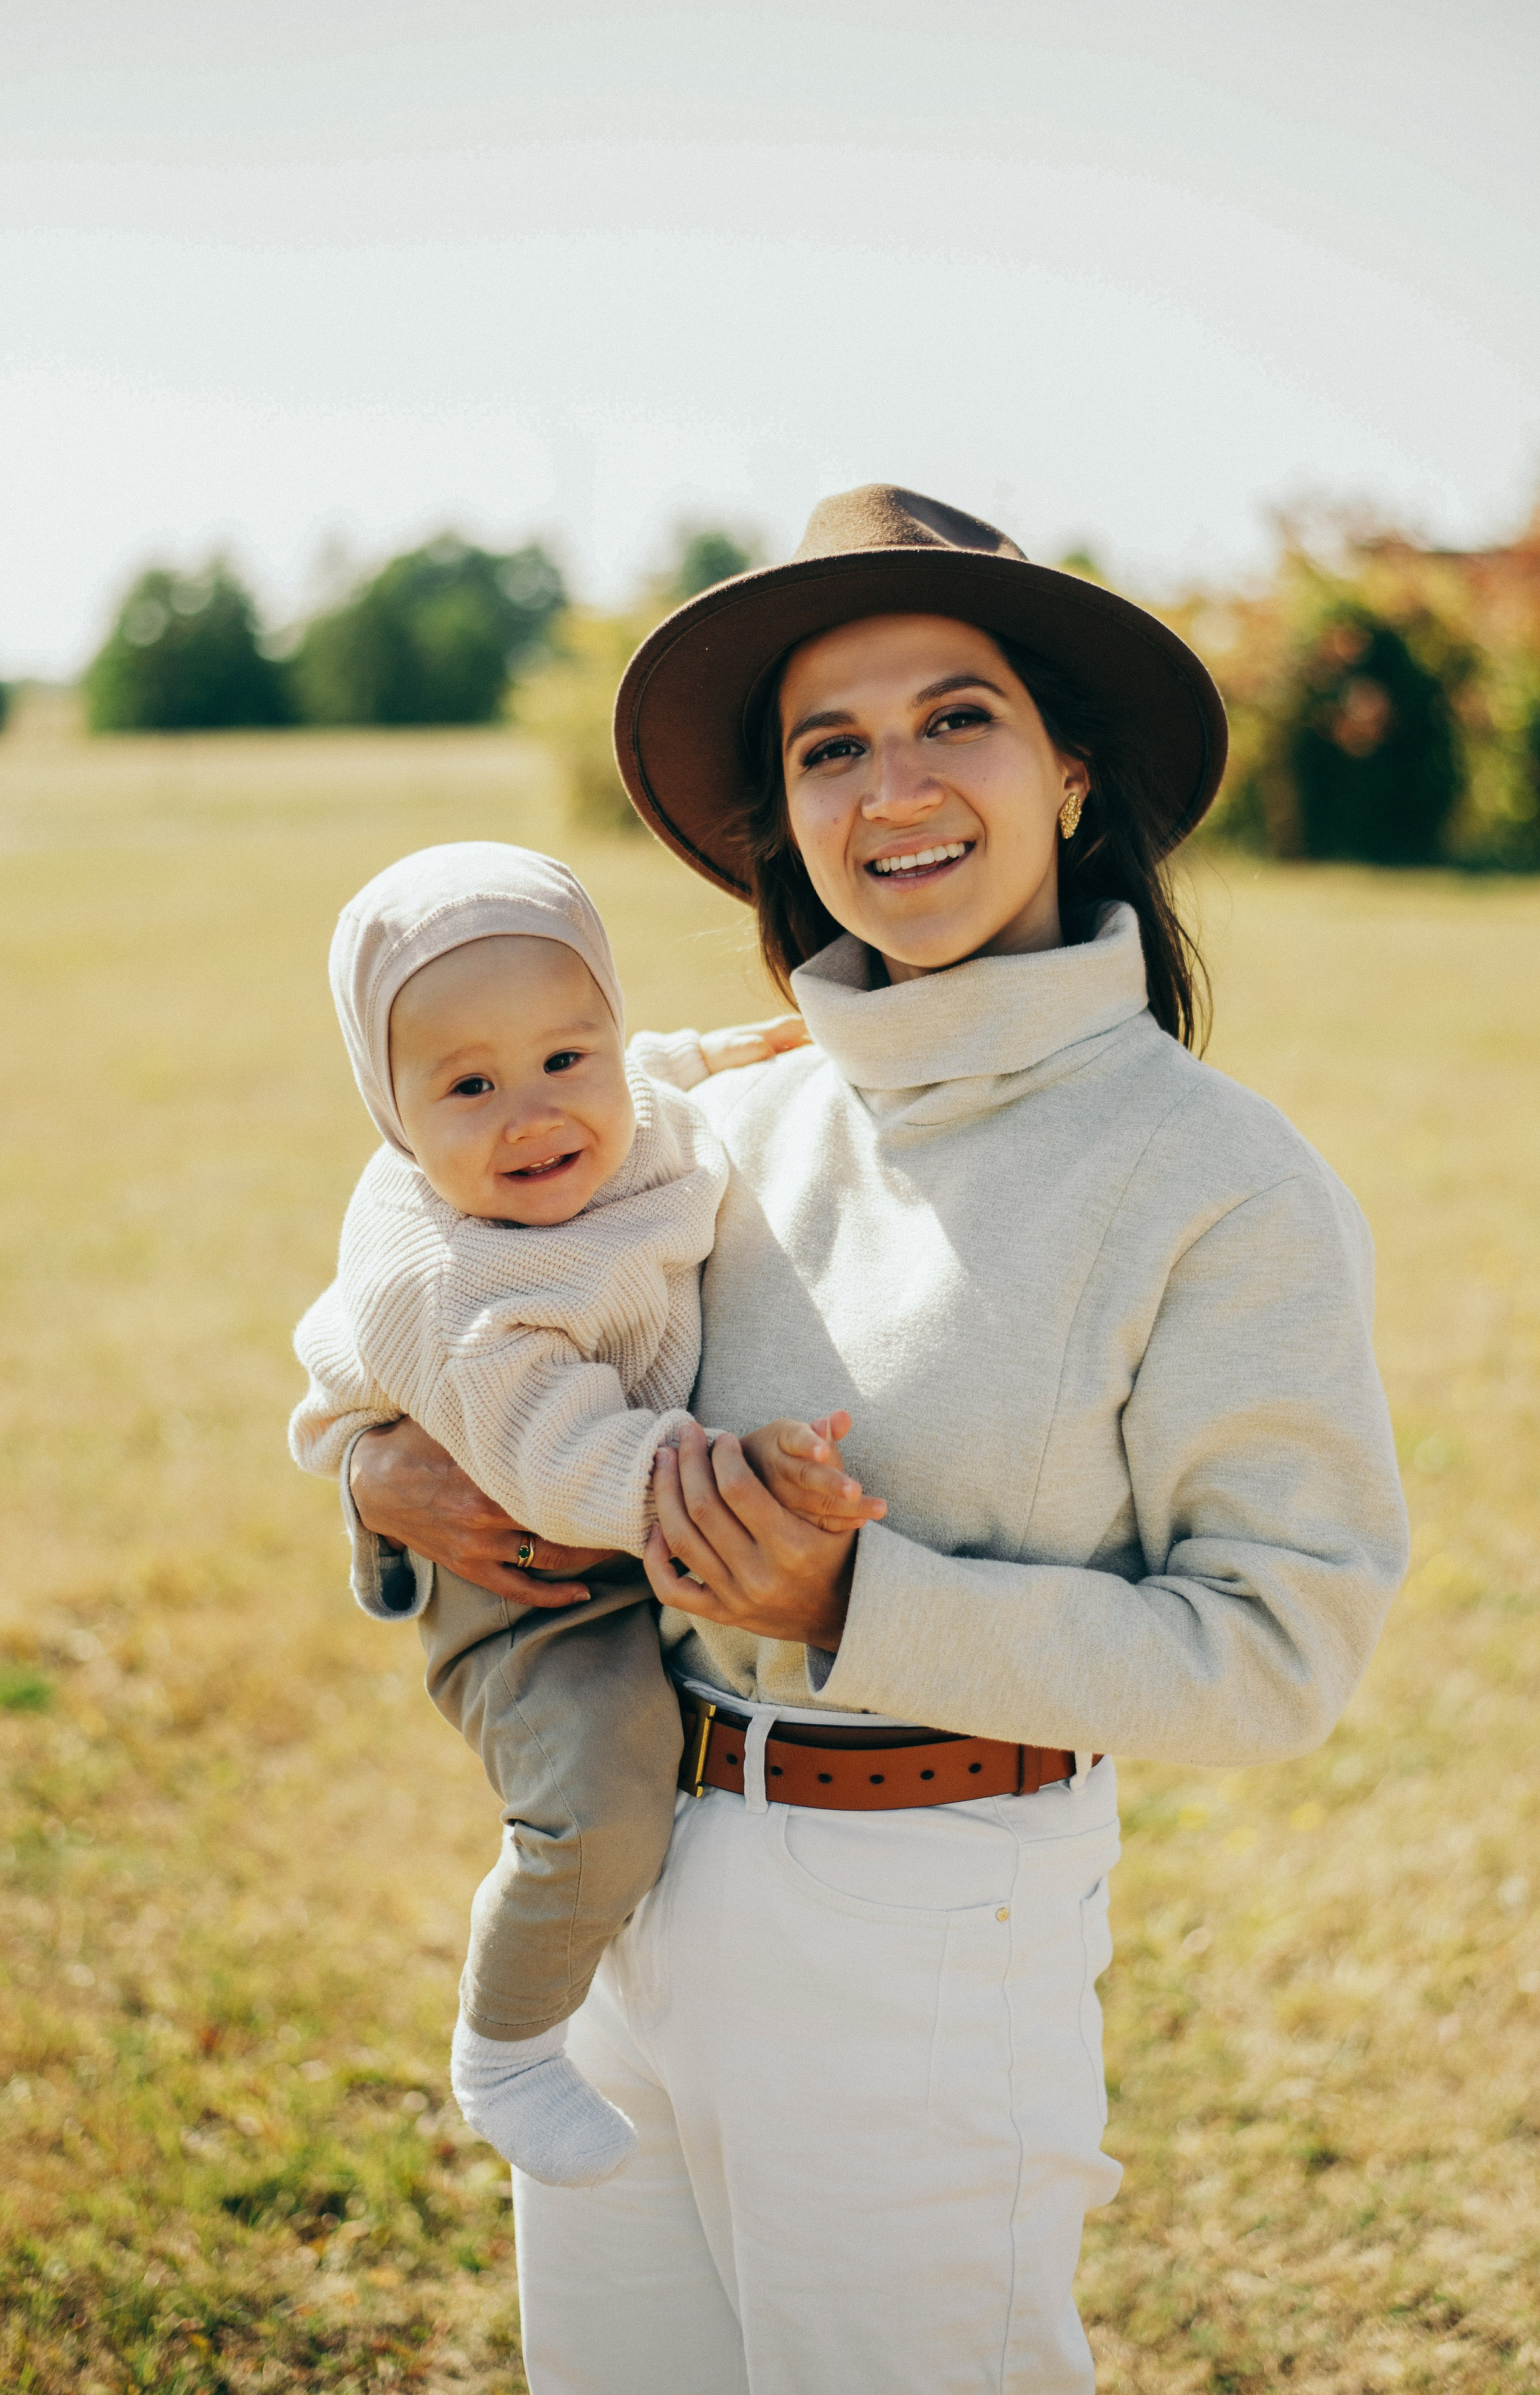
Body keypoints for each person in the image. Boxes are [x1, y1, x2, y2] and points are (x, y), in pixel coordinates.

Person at [343, 486, 1409, 2395]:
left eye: (955, 717)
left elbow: (1278, 1656)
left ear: (1071, 772)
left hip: (923, 1914)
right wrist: (371, 1466)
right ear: (785, 812)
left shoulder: (1217, 1179)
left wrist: (854, 1600)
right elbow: (440, 1276)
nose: (892, 785)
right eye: (829, 745)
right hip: (631, 1884)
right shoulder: (698, 1124)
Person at [289, 841, 878, 2188]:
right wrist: (732, 1475)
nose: (533, 1114)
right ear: (392, 1109)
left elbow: (656, 1068)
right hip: (521, 1562)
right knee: (605, 1791)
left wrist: (740, 1053)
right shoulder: (456, 1283)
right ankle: (506, 2046)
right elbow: (555, 1468)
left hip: (591, 1480)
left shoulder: (623, 1111)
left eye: (566, 1057)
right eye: (469, 1086)